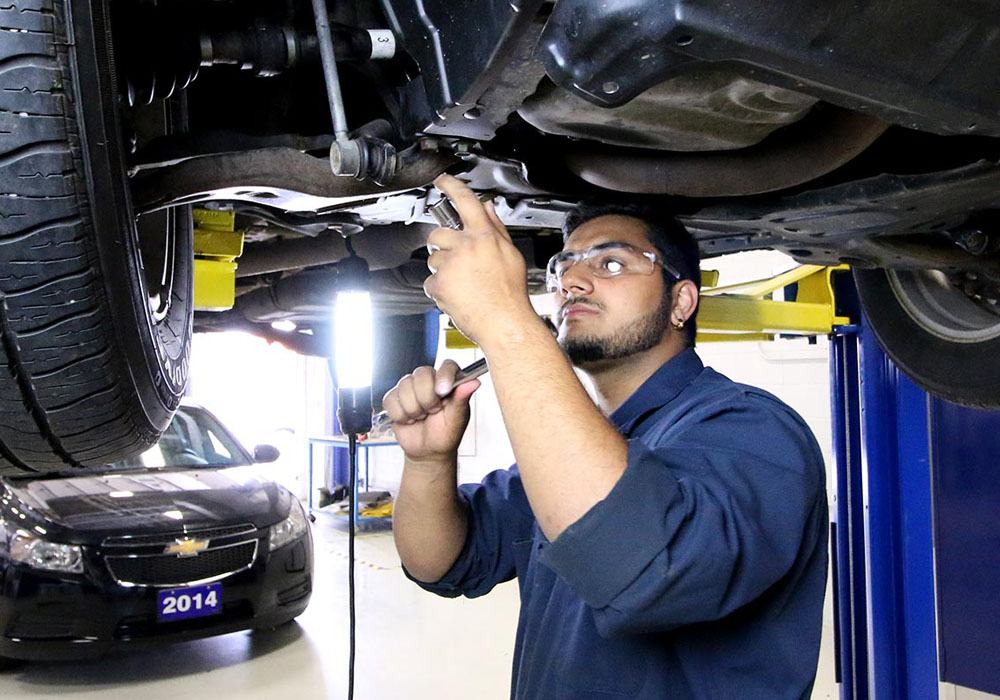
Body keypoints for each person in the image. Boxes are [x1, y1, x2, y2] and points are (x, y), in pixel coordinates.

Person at [384, 174, 828, 699]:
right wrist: (429, 463)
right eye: (563, 266)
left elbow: (644, 570)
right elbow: (441, 562)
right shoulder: (570, 457)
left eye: (611, 263)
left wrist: (505, 320)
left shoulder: (753, 429)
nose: (572, 281)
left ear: (681, 301)